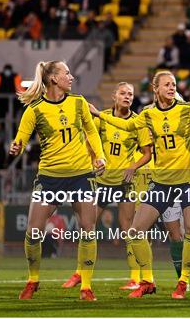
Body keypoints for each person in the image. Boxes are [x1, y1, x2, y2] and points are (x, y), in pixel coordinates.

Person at [88, 70, 190, 299]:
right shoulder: (148, 115)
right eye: (167, 84)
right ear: (156, 89)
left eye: (174, 84)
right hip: (162, 183)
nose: (172, 87)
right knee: (136, 232)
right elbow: (127, 126)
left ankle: (183, 282)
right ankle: (147, 281)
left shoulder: (186, 108)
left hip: (188, 182)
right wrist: (99, 115)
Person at [10, 61, 106, 301]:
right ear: (53, 78)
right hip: (50, 178)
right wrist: (16, 147)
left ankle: (85, 285)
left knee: (87, 229)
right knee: (33, 232)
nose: (71, 77)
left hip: (81, 175)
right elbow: (21, 138)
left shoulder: (78, 102)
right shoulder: (35, 109)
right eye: (67, 73)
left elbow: (91, 131)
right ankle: (33, 280)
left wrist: (99, 156)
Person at [61, 82, 152, 293]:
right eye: (123, 93)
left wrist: (133, 166)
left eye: (130, 93)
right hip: (101, 181)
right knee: (88, 227)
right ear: (114, 96)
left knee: (129, 228)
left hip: (125, 182)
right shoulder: (101, 117)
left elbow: (147, 153)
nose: (127, 96)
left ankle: (135, 278)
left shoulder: (138, 122)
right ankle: (79, 273)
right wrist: (94, 160)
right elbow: (90, 142)